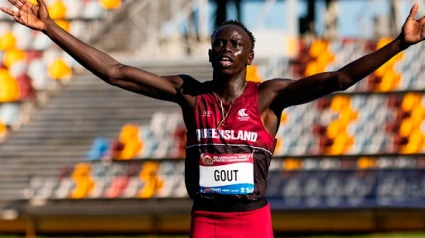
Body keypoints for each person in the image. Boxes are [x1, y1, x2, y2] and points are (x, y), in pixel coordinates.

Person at [2, 0, 425, 237]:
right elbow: (115, 72)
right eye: (219, 43)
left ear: (249, 55)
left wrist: (398, 45)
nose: (227, 49)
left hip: (253, 220)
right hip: (207, 220)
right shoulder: (190, 93)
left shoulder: (270, 97)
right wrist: (50, 28)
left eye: (236, 44)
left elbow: (339, 77)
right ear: (209, 54)